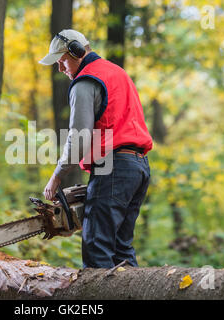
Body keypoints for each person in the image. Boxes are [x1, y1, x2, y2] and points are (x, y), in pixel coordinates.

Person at [39, 29, 153, 268]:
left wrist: (57, 175)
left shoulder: (85, 81)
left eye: (62, 61)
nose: (60, 69)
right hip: (139, 166)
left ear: (76, 52)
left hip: (113, 166)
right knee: (121, 247)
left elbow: (79, 137)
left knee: (96, 246)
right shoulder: (117, 73)